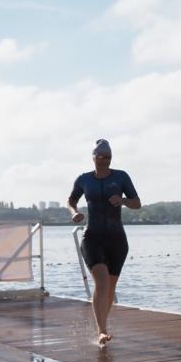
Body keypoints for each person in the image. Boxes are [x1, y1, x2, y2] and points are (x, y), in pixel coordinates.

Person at [68, 139, 141, 347]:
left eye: (108, 157)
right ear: (93, 157)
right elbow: (71, 200)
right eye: (100, 156)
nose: (104, 160)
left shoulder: (121, 177)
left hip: (117, 239)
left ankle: (102, 325)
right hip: (92, 237)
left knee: (110, 287)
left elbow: (137, 203)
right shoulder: (84, 179)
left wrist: (123, 200)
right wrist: (74, 213)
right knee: (101, 282)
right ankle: (102, 331)